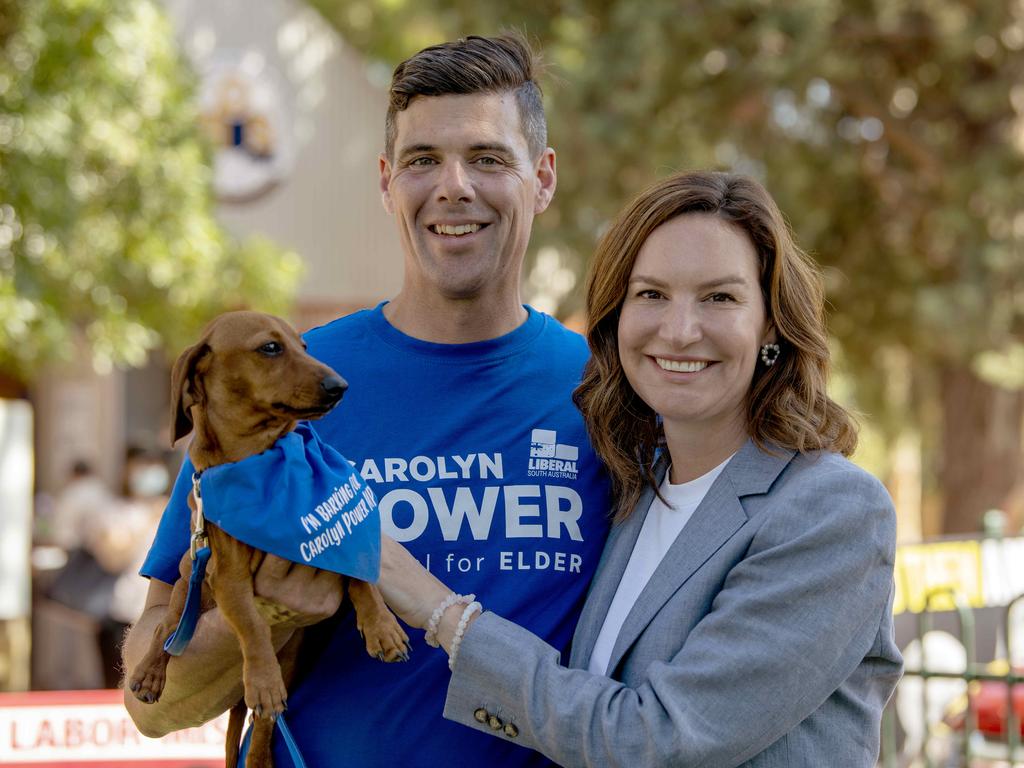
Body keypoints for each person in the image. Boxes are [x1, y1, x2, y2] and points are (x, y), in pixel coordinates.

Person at [122, 34, 611, 767]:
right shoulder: (292, 380)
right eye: (422, 161)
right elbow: (149, 703)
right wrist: (274, 612)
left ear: (542, 179)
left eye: (486, 158)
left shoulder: (607, 392)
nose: (453, 186)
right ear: (386, 182)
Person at [377, 170, 903, 767]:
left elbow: (655, 741)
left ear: (771, 327)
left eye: (720, 297)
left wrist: (446, 614)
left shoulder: (830, 512)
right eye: (651, 294)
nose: (679, 331)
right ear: (616, 319)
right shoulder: (635, 489)